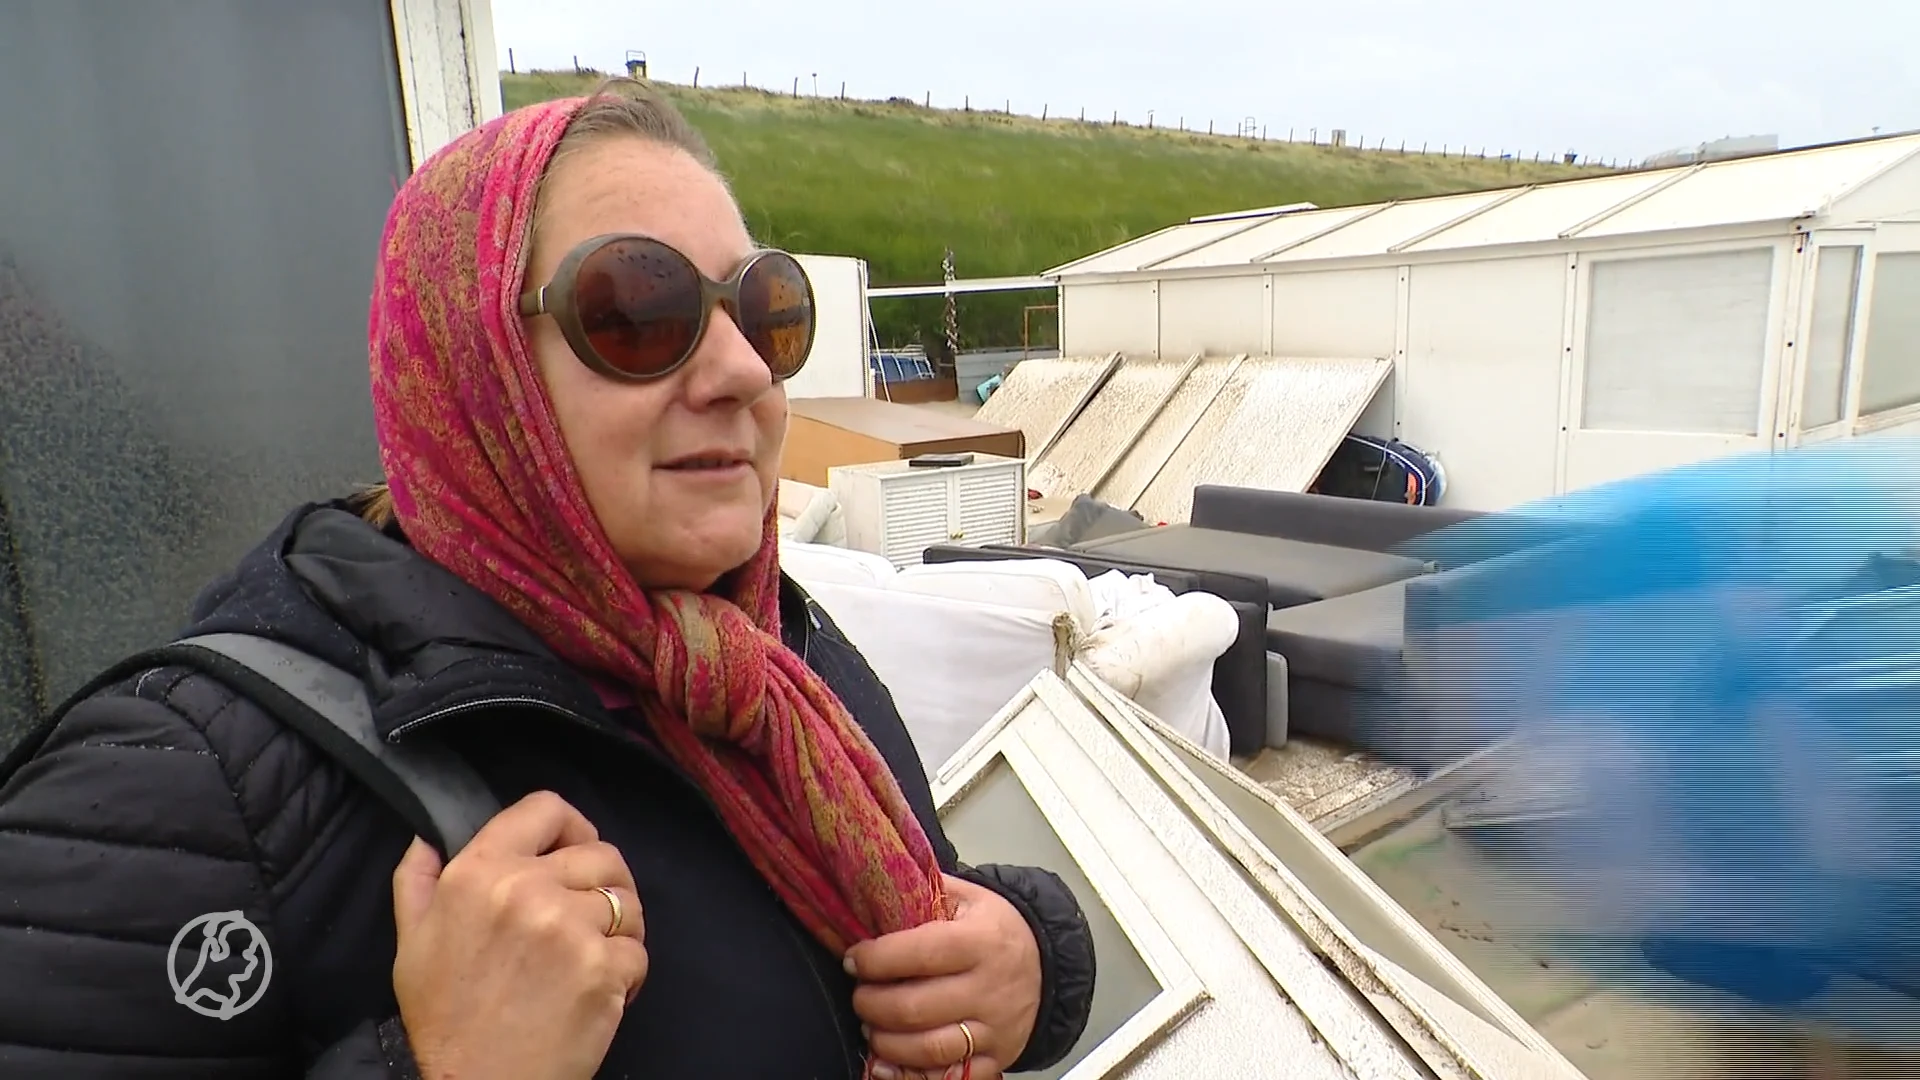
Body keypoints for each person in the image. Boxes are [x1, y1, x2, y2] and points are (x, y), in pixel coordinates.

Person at [0, 79, 1095, 1079]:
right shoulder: (190, 789)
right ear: (470, 363)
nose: (743, 372)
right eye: (635, 313)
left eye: (765, 311)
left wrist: (1027, 959)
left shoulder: (770, 662)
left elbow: (922, 918)